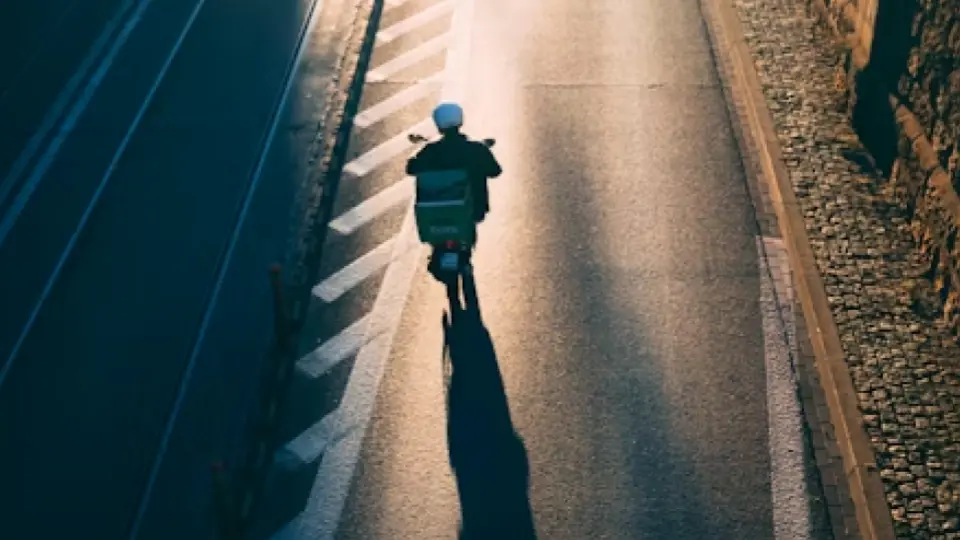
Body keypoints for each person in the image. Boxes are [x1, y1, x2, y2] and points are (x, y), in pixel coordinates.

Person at [406, 102, 502, 222]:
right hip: (474, 210)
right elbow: (495, 171)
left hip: (435, 212)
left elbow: (411, 169)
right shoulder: (476, 149)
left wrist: (414, 155)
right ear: (460, 121)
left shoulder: (430, 151)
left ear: (438, 126)